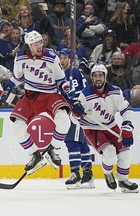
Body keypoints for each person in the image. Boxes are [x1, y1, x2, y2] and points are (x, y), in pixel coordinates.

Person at [8, 30, 72, 172]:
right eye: (35, 44)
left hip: (50, 96)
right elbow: (17, 78)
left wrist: (66, 87)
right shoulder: (20, 57)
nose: (39, 46)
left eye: (40, 42)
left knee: (63, 120)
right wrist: (4, 87)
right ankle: (35, 154)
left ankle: (53, 149)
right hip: (30, 96)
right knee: (17, 128)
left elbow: (61, 79)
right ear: (28, 46)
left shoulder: (51, 56)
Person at [73, 63, 139, 193]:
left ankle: (123, 180)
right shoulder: (85, 94)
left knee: (125, 154)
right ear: (92, 77)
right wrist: (75, 114)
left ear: (105, 77)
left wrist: (127, 128)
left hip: (111, 126)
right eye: (95, 75)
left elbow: (126, 110)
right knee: (109, 152)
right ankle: (108, 173)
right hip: (92, 128)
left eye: (100, 75)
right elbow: (74, 119)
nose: (98, 78)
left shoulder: (115, 91)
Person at [58, 48, 94, 190]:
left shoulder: (76, 73)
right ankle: (87, 174)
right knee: (80, 143)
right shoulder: (59, 75)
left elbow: (85, 90)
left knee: (72, 141)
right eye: (61, 57)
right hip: (67, 112)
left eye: (65, 57)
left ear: (71, 59)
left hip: (77, 112)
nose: (62, 60)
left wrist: (78, 100)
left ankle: (75, 173)